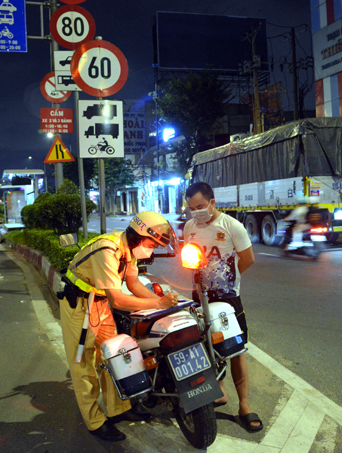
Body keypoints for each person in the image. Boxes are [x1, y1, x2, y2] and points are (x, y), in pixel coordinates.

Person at [60, 211, 180, 442]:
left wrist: (163, 305)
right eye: (151, 244)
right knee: (83, 365)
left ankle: (119, 409)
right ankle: (95, 421)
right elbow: (118, 299)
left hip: (100, 304)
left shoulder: (129, 251)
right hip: (79, 305)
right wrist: (158, 302)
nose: (152, 250)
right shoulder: (108, 250)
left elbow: (133, 284)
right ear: (138, 236)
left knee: (114, 357)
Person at [183, 182, 262, 433]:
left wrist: (229, 279)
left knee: (235, 349)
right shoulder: (189, 227)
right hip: (200, 298)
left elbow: (247, 258)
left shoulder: (231, 226)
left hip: (228, 298)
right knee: (206, 346)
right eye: (191, 208)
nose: (195, 212)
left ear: (212, 203)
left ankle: (245, 406)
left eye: (200, 206)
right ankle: (221, 392)